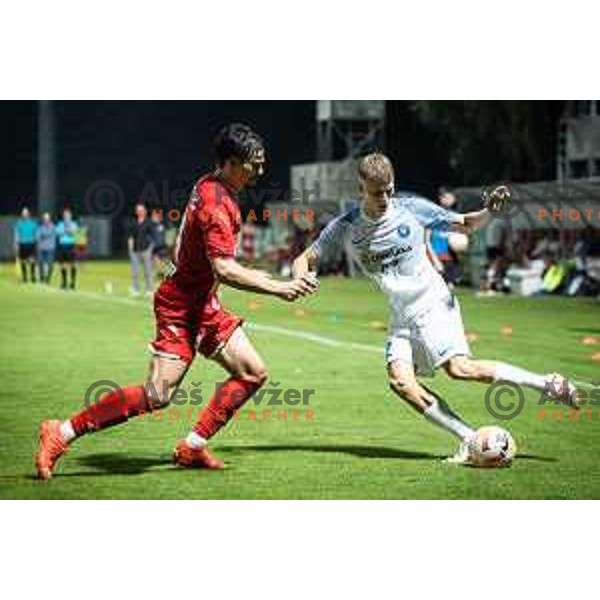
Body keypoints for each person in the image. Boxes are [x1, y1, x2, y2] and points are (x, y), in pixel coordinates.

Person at [36, 123, 318, 480]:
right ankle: (60, 432)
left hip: (203, 303)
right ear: (232, 162)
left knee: (252, 372)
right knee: (158, 394)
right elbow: (225, 270)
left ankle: (192, 447)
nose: (261, 171)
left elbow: (221, 266)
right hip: (181, 307)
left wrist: (271, 279)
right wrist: (278, 289)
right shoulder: (217, 206)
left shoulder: (213, 184)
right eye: (254, 164)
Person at [292, 153, 578, 464]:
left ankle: (548, 383)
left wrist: (489, 211)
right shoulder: (346, 226)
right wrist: (299, 279)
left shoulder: (412, 209)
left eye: (389, 189)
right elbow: (303, 259)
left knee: (460, 369)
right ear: (361, 187)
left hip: (432, 301)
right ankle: (470, 440)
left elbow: (466, 225)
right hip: (401, 314)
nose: (386, 198)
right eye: (377, 192)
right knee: (401, 382)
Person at [128, 202, 155, 296]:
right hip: (135, 250)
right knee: (135, 271)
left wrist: (150, 249)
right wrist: (130, 246)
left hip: (146, 249)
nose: (139, 211)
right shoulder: (134, 222)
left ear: (145, 211)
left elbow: (153, 236)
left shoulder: (149, 222)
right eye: (138, 210)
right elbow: (131, 235)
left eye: (141, 210)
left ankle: (149, 289)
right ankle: (135, 289)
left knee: (148, 270)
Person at [13, 207, 38, 283]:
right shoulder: (18, 223)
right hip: (22, 244)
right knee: (23, 261)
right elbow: (17, 234)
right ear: (22, 214)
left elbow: (36, 234)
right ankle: (25, 277)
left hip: (31, 244)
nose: (25, 214)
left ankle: (33, 276)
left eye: (26, 213)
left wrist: (36, 242)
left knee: (32, 261)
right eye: (23, 213)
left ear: (28, 214)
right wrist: (15, 244)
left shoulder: (33, 223)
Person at [56, 208, 79, 290]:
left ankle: (72, 282)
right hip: (62, 245)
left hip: (71, 245)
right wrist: (67, 231)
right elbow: (58, 233)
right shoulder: (60, 224)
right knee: (62, 265)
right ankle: (64, 282)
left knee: (73, 264)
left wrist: (68, 231)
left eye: (68, 215)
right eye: (65, 215)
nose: (66, 217)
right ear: (63, 216)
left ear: (70, 216)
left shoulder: (74, 224)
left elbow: (75, 233)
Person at [36, 212, 57, 284]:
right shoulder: (40, 227)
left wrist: (44, 235)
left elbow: (56, 234)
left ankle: (48, 278)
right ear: (43, 220)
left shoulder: (53, 227)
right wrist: (45, 235)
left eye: (47, 218)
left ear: (50, 219)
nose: (46, 220)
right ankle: (42, 277)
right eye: (45, 219)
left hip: (50, 249)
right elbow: (38, 237)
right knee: (40, 263)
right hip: (41, 249)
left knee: (51, 265)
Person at [150, 209, 169, 278]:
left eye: (155, 216)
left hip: (161, 245)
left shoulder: (162, 224)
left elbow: (169, 230)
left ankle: (170, 271)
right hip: (155, 246)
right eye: (153, 216)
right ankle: (159, 272)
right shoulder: (152, 225)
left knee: (164, 259)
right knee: (155, 260)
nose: (154, 218)